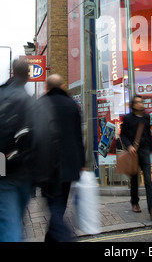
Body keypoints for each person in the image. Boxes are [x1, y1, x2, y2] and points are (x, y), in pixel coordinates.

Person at [40, 74, 85, 242]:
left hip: (47, 165)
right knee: (59, 205)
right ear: (62, 85)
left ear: (47, 87)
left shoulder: (41, 104)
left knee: (55, 207)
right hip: (69, 165)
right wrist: (81, 163)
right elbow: (78, 137)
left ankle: (66, 238)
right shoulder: (72, 104)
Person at [0, 59, 35, 242]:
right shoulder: (29, 101)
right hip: (25, 173)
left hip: (4, 172)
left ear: (12, 72)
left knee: (9, 223)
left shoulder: (2, 94)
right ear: (28, 76)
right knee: (16, 222)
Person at [120, 95, 152, 221]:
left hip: (145, 151)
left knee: (148, 179)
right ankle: (134, 202)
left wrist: (150, 149)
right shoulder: (128, 119)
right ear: (133, 105)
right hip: (133, 153)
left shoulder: (147, 117)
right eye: (137, 102)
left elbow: (148, 134)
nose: (140, 104)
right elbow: (123, 135)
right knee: (134, 180)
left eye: (141, 102)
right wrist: (129, 146)